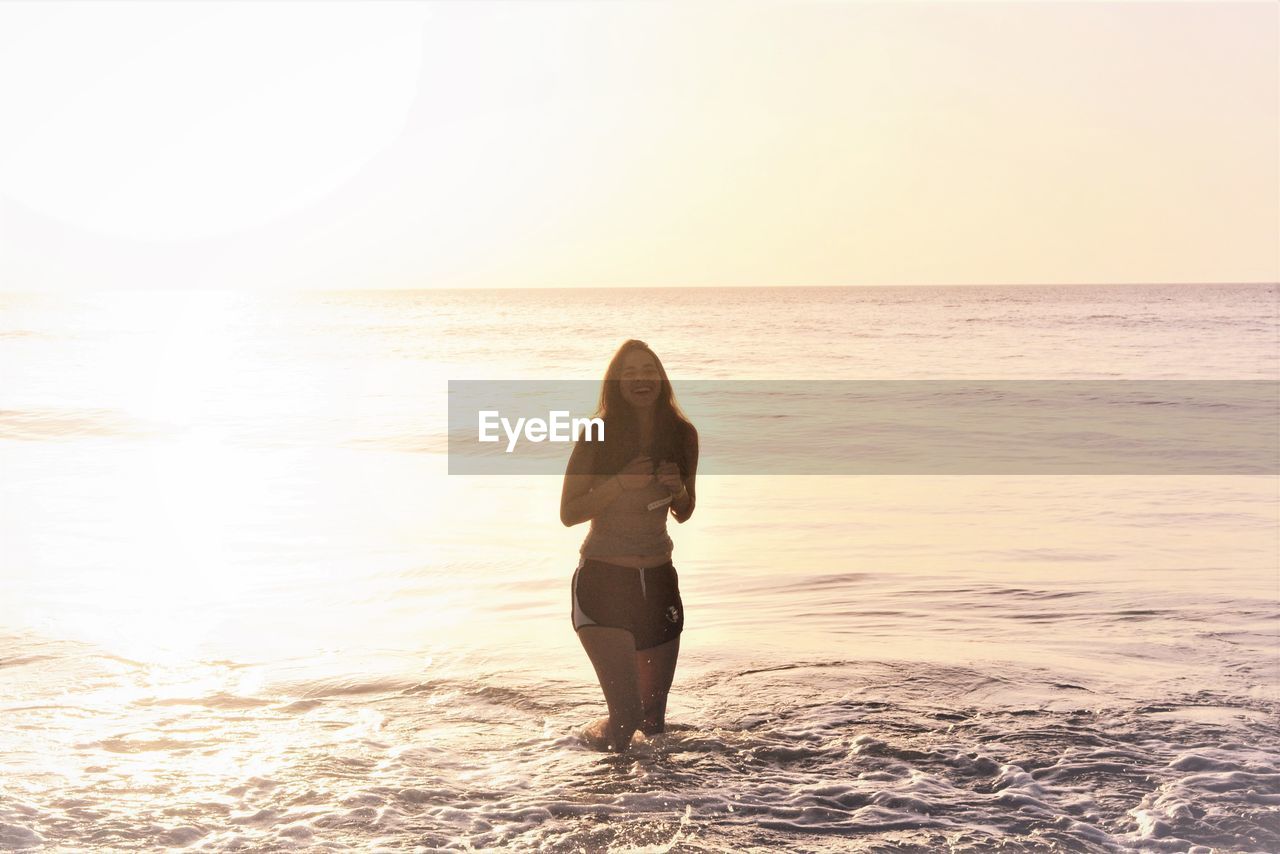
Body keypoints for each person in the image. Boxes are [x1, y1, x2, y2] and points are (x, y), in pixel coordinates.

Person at [560, 339, 699, 753]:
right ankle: (597, 775)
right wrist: (621, 482)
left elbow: (686, 511)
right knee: (626, 717)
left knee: (654, 721)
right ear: (616, 383)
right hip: (605, 579)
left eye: (648, 370)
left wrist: (678, 491)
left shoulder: (682, 434)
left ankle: (648, 800)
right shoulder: (597, 434)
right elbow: (569, 512)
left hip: (658, 581)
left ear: (661, 378)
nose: (641, 379)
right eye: (631, 372)